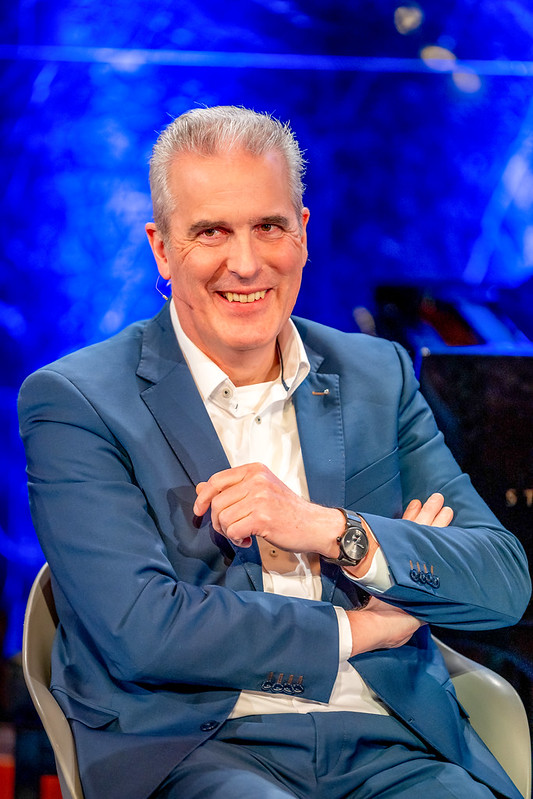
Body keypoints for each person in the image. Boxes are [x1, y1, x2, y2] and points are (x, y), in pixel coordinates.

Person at [18, 106, 530, 799]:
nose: (246, 262)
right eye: (211, 232)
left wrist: (331, 530)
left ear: (303, 233)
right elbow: (142, 631)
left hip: (389, 744)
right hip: (198, 748)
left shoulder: (376, 374)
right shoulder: (77, 400)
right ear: (161, 249)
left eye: (268, 226)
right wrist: (360, 629)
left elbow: (500, 581)